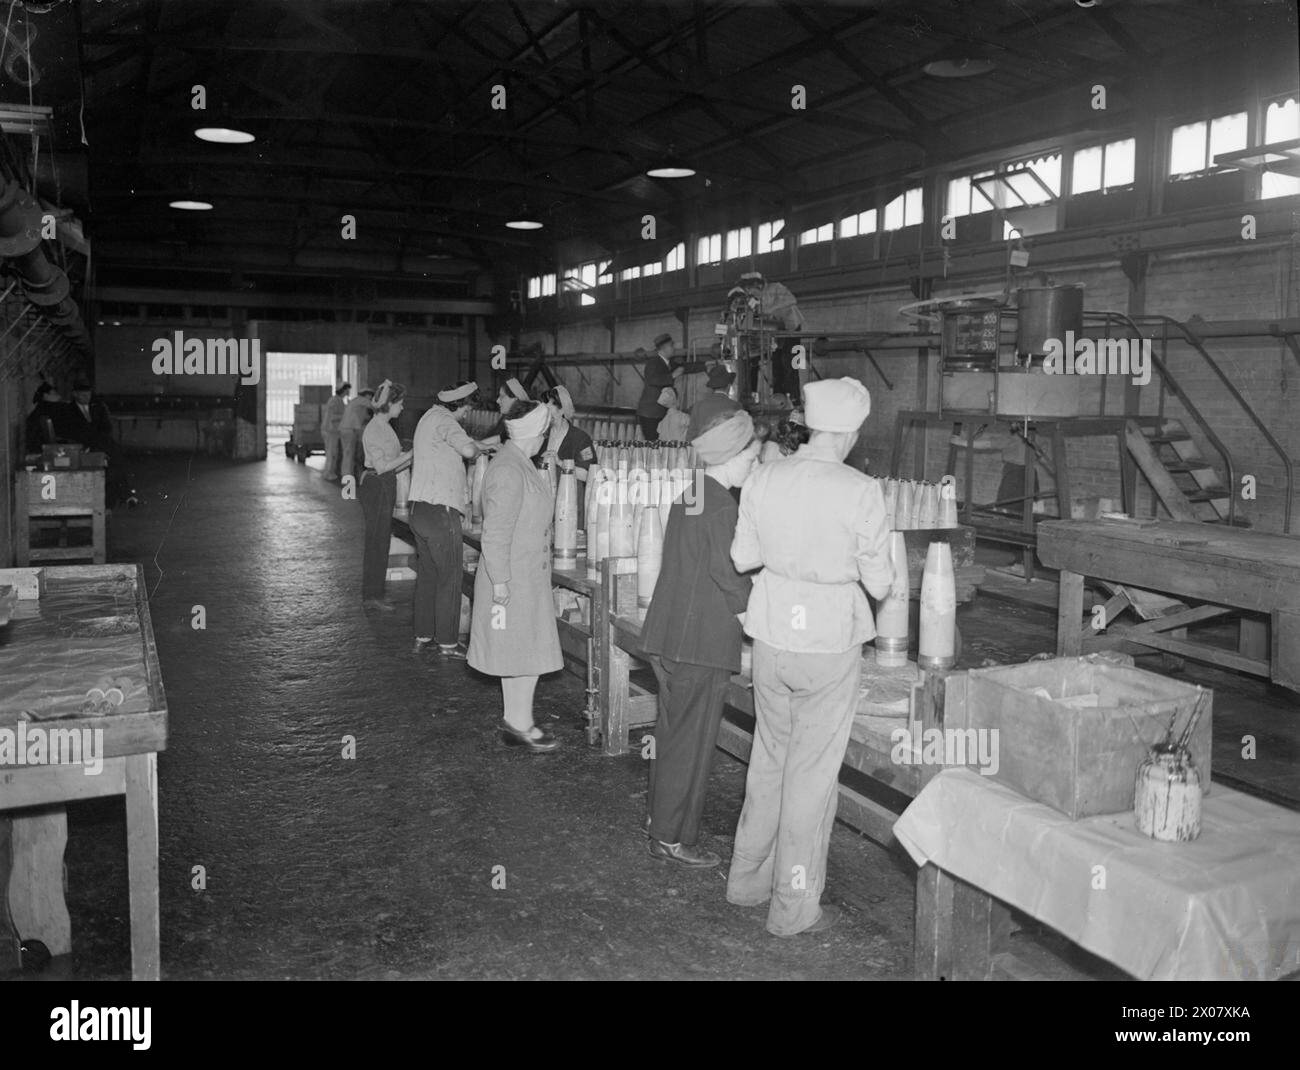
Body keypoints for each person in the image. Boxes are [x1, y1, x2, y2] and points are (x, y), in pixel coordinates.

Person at [726, 377, 894, 937]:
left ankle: (747, 881)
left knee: (769, 761)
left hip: (772, 636)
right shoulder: (861, 489)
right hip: (827, 641)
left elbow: (745, 558)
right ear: (848, 431)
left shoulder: (765, 478)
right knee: (811, 778)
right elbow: (880, 578)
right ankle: (792, 905)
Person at [639, 409, 759, 867]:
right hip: (700, 643)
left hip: (669, 636)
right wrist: (757, 620)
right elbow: (728, 576)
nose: (754, 461)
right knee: (690, 742)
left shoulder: (692, 493)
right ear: (733, 454)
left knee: (672, 735)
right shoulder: (723, 506)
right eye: (750, 452)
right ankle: (670, 836)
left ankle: (660, 822)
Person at [467, 399, 563, 753]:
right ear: (534, 434)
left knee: (521, 652)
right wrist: (502, 581)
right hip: (511, 579)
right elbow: (495, 532)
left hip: (525, 574)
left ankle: (516, 721)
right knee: (523, 652)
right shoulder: (509, 469)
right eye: (543, 433)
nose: (544, 439)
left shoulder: (518, 462)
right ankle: (520, 724)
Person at [409, 380, 487, 657]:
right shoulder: (447, 420)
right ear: (461, 404)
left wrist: (484, 444)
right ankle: (448, 643)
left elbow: (456, 444)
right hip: (441, 513)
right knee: (450, 578)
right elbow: (467, 450)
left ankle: (423, 635)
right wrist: (478, 451)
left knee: (428, 576)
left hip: (418, 510)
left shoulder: (429, 417)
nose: (467, 414)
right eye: (468, 409)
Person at [358, 382, 412, 611]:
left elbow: (392, 466)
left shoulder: (386, 426)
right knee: (377, 541)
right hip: (376, 485)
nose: (402, 407)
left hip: (384, 483)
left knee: (382, 540)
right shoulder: (375, 430)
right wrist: (411, 453)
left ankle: (376, 593)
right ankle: (372, 596)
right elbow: (382, 467)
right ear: (388, 404)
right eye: (399, 403)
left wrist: (412, 457)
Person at [740, 271, 805, 408]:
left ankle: (795, 399)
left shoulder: (776, 288)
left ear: (757, 284)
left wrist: (770, 309)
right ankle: (778, 399)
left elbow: (791, 300)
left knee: (790, 364)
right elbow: (749, 318)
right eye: (747, 291)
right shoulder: (753, 299)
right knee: (776, 365)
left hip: (791, 329)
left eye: (750, 289)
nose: (749, 293)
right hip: (775, 332)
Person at [541, 384, 596, 515]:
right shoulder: (541, 436)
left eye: (550, 407)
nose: (545, 412)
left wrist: (561, 463)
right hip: (543, 503)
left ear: (561, 410)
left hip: (569, 504)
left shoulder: (581, 439)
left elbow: (589, 475)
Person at [635, 333, 680, 441]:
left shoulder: (668, 363)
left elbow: (685, 367)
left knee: (660, 443)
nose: (674, 348)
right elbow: (652, 380)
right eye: (671, 346)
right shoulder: (653, 363)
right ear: (663, 348)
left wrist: (706, 365)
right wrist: (672, 376)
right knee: (653, 445)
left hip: (660, 412)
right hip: (650, 413)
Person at [686, 362, 741, 440]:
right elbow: (740, 435)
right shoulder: (736, 406)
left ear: (712, 388)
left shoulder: (698, 406)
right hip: (727, 450)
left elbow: (690, 437)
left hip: (703, 450)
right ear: (728, 387)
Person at [339, 387, 375, 487]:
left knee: (348, 454)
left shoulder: (357, 403)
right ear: (366, 394)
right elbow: (374, 406)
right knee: (348, 454)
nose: (371, 397)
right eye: (370, 395)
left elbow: (364, 417)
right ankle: (347, 479)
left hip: (347, 429)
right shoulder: (361, 400)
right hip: (349, 429)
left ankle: (346, 477)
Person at [480, 376, 529, 447]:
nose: (497, 401)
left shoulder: (523, 424)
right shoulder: (510, 419)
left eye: (502, 396)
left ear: (515, 399)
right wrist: (475, 445)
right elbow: (499, 437)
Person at [25, 382, 69, 453]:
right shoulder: (53, 408)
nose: (59, 397)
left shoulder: (38, 410)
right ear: (45, 395)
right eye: (55, 394)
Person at [322, 382, 351, 482]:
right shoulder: (335, 401)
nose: (348, 392)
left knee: (333, 452)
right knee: (332, 452)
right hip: (331, 430)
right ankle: (328, 473)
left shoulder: (339, 400)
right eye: (347, 389)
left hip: (334, 430)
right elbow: (332, 417)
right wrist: (345, 415)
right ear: (343, 390)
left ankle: (330, 472)